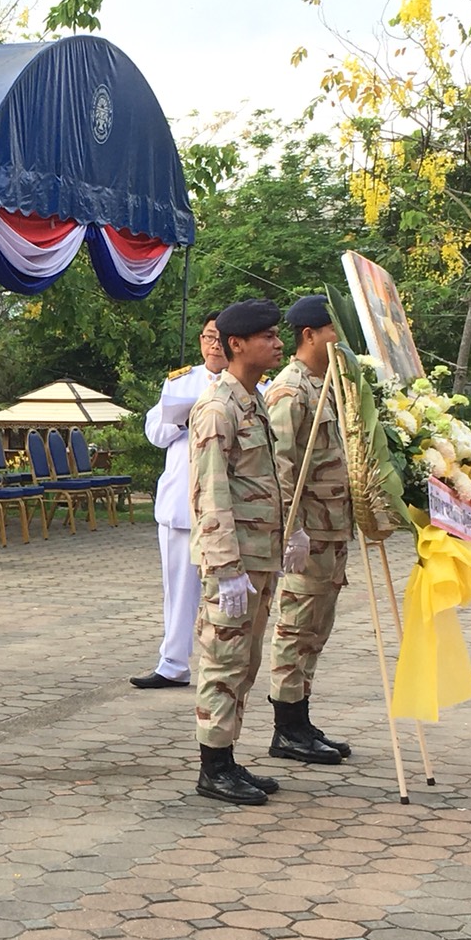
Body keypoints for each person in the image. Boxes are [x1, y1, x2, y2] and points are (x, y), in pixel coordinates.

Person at [189, 299, 309, 806]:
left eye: (278, 335)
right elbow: (210, 493)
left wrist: (291, 531)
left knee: (245, 659)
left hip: (260, 555)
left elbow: (270, 478)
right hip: (234, 561)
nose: (278, 344)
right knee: (223, 660)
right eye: (268, 337)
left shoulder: (253, 400)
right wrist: (226, 567)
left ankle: (227, 756)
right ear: (237, 344)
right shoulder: (218, 408)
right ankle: (213, 767)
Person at [264, 296, 354, 766]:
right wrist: (292, 529)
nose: (341, 338)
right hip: (309, 532)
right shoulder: (290, 390)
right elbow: (280, 465)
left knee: (317, 627)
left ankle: (300, 717)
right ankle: (286, 727)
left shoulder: (330, 384)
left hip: (333, 528)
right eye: (333, 329)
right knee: (296, 626)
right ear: (311, 335)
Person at [130, 311, 227, 690]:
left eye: (220, 338)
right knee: (178, 589)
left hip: (228, 506)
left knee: (228, 590)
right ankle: (172, 663)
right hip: (182, 502)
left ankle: (225, 665)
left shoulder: (253, 384)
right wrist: (184, 420)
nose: (214, 345)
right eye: (208, 337)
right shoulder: (180, 382)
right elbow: (155, 432)